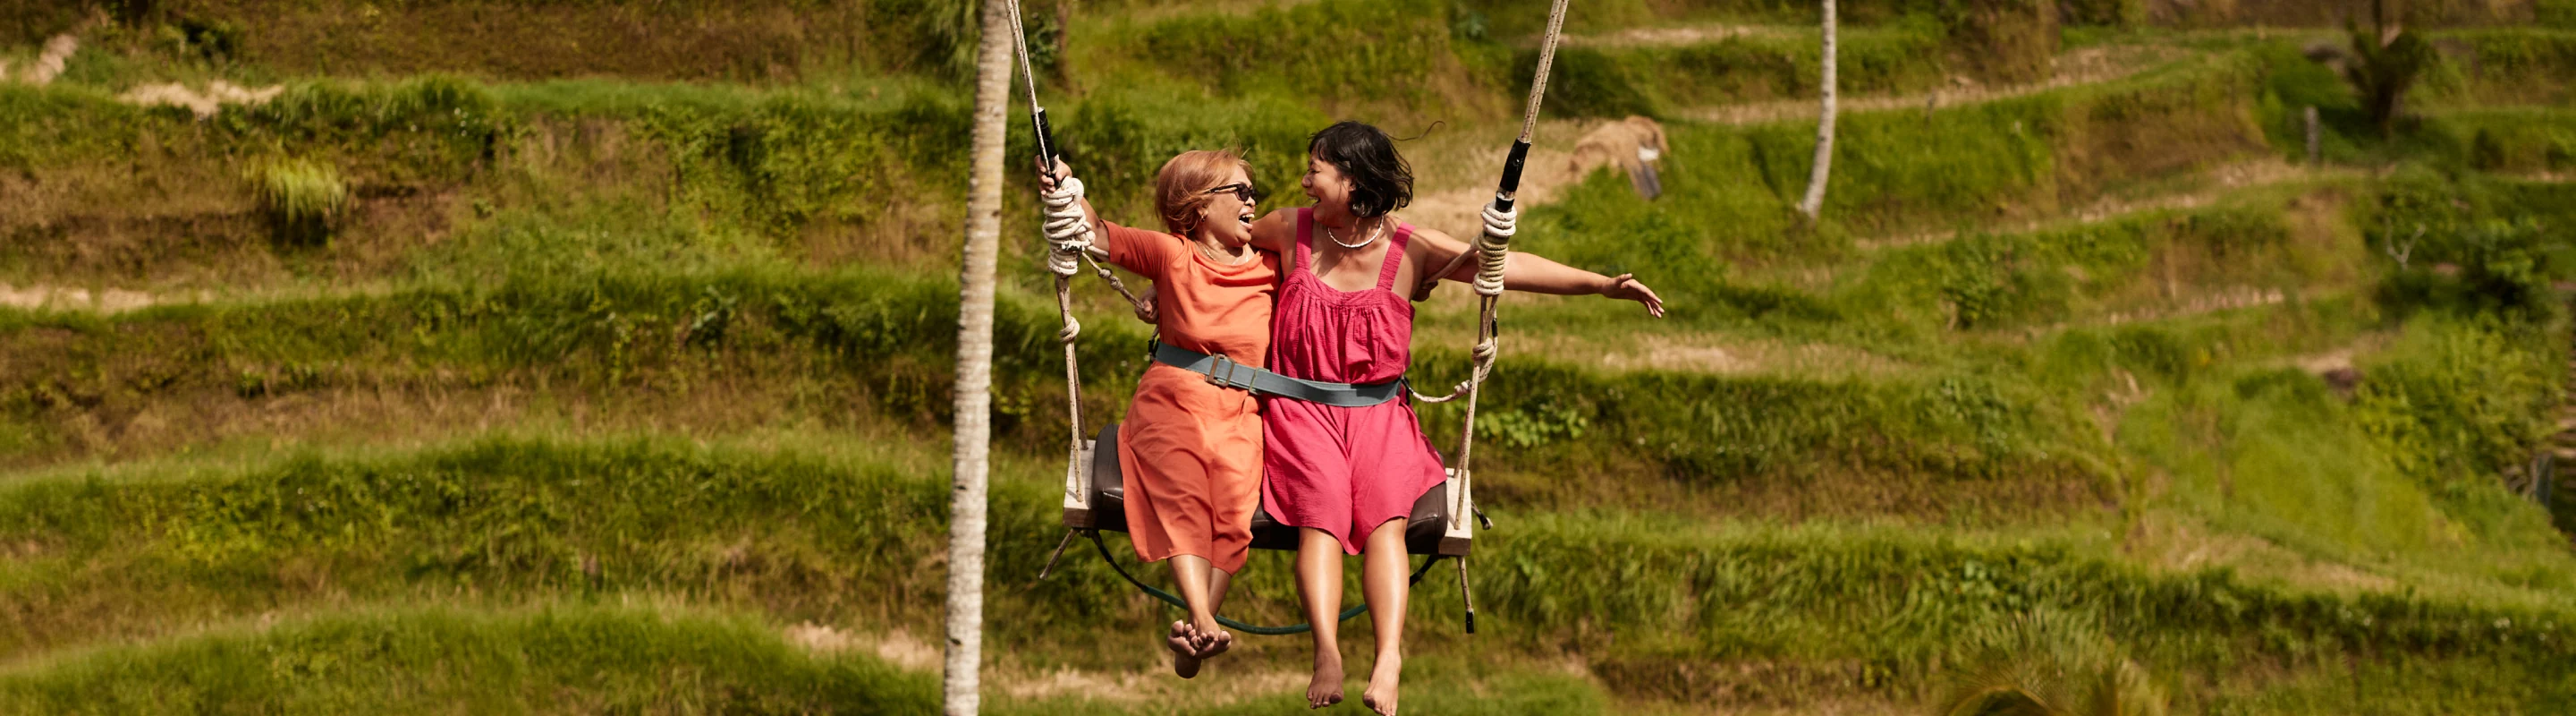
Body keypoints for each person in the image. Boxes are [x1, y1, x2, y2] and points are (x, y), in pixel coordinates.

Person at [1247, 121, 1664, 713]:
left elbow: (1505, 267)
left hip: (1378, 414)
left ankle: (1389, 656)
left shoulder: (1411, 249)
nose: (1304, 180)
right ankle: (1328, 652)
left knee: (1384, 520)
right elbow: (1220, 244)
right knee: (1321, 518)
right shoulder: (1291, 229)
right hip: (1302, 412)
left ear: (1353, 179)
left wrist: (1600, 286)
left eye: (1316, 169)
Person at [1038, 149, 1271, 678]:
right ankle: (1203, 619)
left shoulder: (1270, 264)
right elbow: (1098, 234)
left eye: (1253, 191)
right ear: (1198, 207)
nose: (1252, 200)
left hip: (1242, 410)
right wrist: (1068, 188)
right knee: (1185, 496)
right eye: (1238, 191)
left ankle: (1197, 632)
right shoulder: (1173, 255)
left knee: (1234, 516)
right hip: (1175, 400)